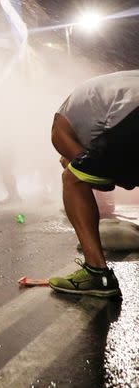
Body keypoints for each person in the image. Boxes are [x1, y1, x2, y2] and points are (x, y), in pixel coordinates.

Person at [46, 71, 139, 298]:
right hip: (130, 110)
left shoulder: (59, 127)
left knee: (73, 179)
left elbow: (101, 181)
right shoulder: (95, 99)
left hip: (131, 111)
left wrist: (71, 162)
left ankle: (97, 273)